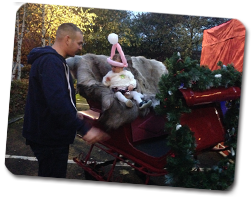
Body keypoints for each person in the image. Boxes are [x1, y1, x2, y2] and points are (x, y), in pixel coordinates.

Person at [22, 23, 110, 182]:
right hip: (50, 138)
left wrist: (74, 113)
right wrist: (84, 129)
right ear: (68, 39)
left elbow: (53, 97)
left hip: (45, 134)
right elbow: (58, 101)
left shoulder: (49, 61)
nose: (80, 48)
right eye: (79, 43)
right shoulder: (52, 62)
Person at [103, 34, 152, 110]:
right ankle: (127, 102)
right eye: (112, 66)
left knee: (135, 94)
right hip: (117, 92)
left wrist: (132, 85)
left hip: (128, 92)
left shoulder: (127, 73)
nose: (113, 68)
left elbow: (133, 80)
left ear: (122, 66)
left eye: (115, 66)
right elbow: (105, 82)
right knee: (118, 94)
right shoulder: (110, 74)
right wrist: (107, 81)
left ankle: (141, 103)